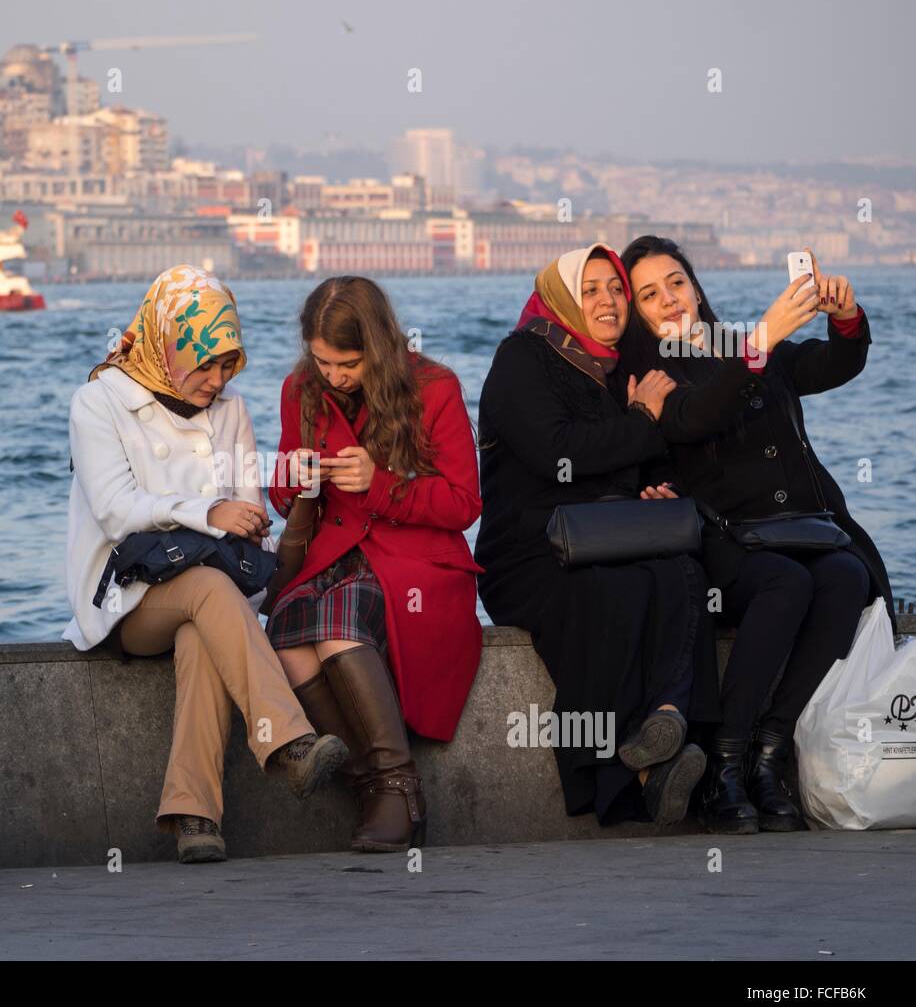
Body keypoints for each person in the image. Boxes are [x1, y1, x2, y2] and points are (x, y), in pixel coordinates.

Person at [63, 265, 349, 863]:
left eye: (228, 364)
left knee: (204, 623)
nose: (216, 380)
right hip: (128, 596)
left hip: (208, 594)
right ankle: (290, 743)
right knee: (207, 592)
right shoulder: (98, 401)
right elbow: (116, 512)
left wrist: (264, 522)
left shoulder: (230, 409)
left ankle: (193, 816)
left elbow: (244, 508)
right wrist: (206, 511)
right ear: (168, 344)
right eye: (204, 363)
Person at [618, 236, 891, 833]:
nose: (668, 299)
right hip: (725, 541)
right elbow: (694, 417)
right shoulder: (649, 373)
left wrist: (846, 320)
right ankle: (726, 760)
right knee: (786, 584)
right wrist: (761, 341)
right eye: (649, 294)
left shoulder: (736, 344)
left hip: (804, 527)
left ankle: (771, 749)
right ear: (637, 312)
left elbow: (830, 366)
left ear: (696, 285)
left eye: (676, 282)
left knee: (846, 576)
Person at [474, 244, 722, 827]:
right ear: (561, 299)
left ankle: (667, 726)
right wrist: (639, 420)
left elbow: (633, 463)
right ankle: (629, 772)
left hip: (604, 539)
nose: (608, 301)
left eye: (616, 288)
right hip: (530, 555)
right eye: (590, 291)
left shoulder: (616, 370)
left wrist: (654, 490)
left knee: (684, 571)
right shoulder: (523, 358)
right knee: (615, 593)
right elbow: (555, 453)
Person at [267, 276, 483, 852]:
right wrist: (295, 480)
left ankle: (398, 784)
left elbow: (464, 503)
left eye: (348, 364)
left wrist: (383, 484)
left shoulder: (435, 387)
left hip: (414, 562)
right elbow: (281, 493)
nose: (333, 376)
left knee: (337, 626)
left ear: (380, 347)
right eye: (322, 361)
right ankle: (377, 786)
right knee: (285, 630)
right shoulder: (300, 389)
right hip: (334, 555)